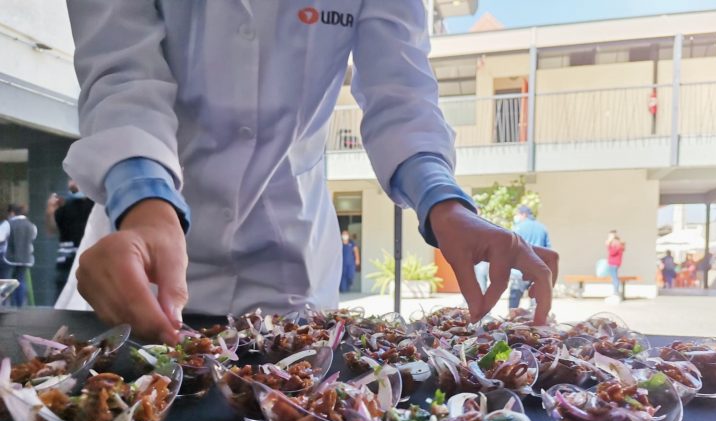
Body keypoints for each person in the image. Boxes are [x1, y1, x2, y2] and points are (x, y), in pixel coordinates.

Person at [61, 3, 558, 343]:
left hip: (287, 267)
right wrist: (145, 201)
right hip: (139, 253)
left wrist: (445, 205)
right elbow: (121, 76)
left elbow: (400, 92)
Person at [46, 179, 95, 296]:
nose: (71, 183)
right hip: (66, 265)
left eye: (75, 179)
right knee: (61, 300)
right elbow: (51, 230)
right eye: (70, 179)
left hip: (87, 264)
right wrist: (50, 212)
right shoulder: (65, 206)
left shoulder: (95, 206)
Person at [508, 205, 551, 313]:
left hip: (519, 271)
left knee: (514, 300)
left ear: (523, 214)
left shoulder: (517, 228)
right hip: (537, 270)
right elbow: (548, 250)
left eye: (518, 214)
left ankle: (510, 323)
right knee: (535, 302)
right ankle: (535, 323)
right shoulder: (542, 228)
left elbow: (510, 248)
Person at [3, 204, 37, 307]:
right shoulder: (31, 225)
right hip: (26, 258)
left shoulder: (8, 224)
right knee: (20, 281)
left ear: (12, 213)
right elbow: (33, 237)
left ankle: (4, 304)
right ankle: (19, 304)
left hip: (9, 258)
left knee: (7, 281)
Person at [606, 231, 625, 299]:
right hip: (615, 263)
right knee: (614, 277)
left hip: (613, 263)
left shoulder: (616, 245)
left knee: (614, 278)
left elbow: (611, 253)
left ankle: (616, 293)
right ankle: (616, 292)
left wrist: (608, 244)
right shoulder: (618, 244)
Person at [0, 207, 11, 280]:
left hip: (3, 254)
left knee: (4, 278)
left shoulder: (5, 224)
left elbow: (1, 238)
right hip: (5, 254)